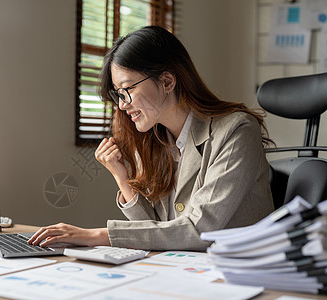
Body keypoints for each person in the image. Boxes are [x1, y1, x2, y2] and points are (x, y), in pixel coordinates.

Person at [28, 26, 274, 251]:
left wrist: (95, 236)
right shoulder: (157, 139)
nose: (123, 105)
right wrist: (121, 178)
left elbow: (200, 230)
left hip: (240, 274)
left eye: (128, 90)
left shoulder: (237, 130)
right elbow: (157, 232)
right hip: (184, 271)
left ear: (167, 81)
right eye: (118, 95)